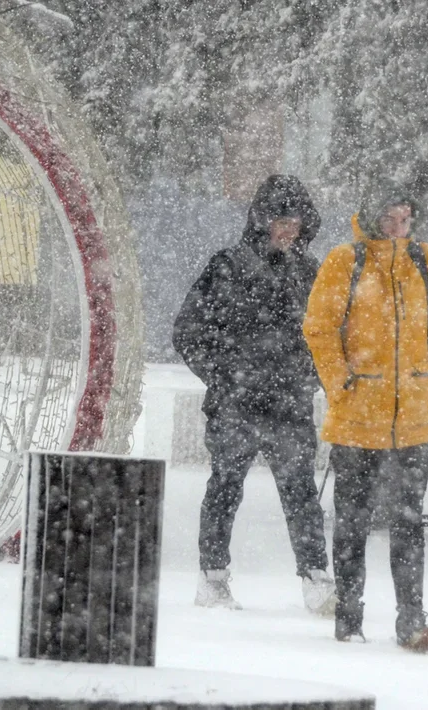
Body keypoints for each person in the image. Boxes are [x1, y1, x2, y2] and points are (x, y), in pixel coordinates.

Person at [302, 177, 428, 651]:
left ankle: (411, 622)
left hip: (413, 422)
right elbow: (320, 329)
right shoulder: (344, 262)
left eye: (406, 219)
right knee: (351, 525)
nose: (398, 227)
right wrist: (342, 384)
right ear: (373, 218)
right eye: (390, 218)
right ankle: (349, 619)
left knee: (409, 526)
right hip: (356, 421)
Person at [173, 174, 336, 615]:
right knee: (225, 489)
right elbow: (188, 332)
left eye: (296, 222)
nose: (288, 230)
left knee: (301, 492)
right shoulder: (226, 266)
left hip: (290, 404)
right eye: (280, 221)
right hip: (236, 405)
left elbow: (328, 335)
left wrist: (316, 378)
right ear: (262, 221)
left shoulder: (310, 273)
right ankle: (212, 578)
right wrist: (223, 377)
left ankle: (316, 578)